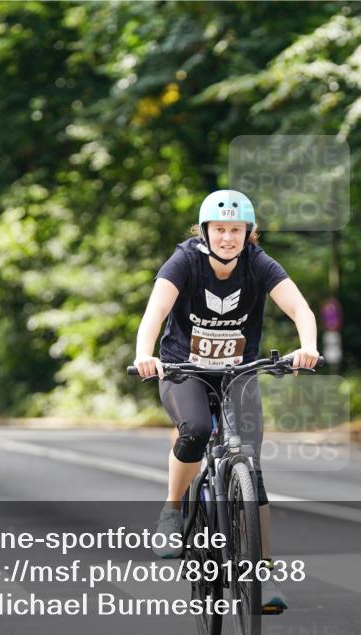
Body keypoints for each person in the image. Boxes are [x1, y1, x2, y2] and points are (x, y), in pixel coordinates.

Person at [133, 189, 319, 612]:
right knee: (196, 431)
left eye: (236, 230)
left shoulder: (259, 264)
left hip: (239, 374)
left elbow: (301, 310)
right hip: (185, 370)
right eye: (220, 229)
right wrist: (146, 355)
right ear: (205, 232)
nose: (228, 237)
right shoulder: (185, 261)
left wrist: (306, 347)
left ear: (248, 233)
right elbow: (155, 313)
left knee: (251, 469)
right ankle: (173, 510)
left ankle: (262, 573)